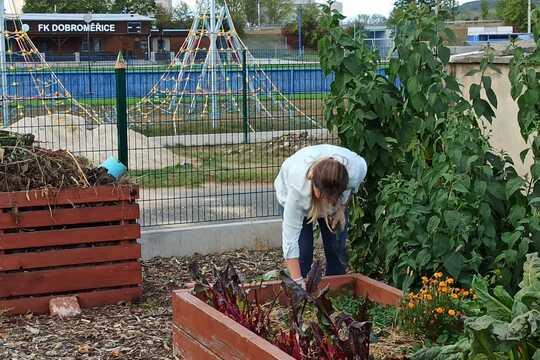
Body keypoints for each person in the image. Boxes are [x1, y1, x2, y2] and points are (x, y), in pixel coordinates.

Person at [274, 144, 367, 288]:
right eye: (324, 196)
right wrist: (297, 281)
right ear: (315, 185)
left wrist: (341, 207)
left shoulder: (355, 170)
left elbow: (355, 183)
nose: (326, 201)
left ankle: (335, 291)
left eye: (332, 196)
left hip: (335, 202)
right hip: (295, 194)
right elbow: (290, 240)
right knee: (303, 252)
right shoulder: (297, 189)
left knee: (337, 247)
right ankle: (301, 294)